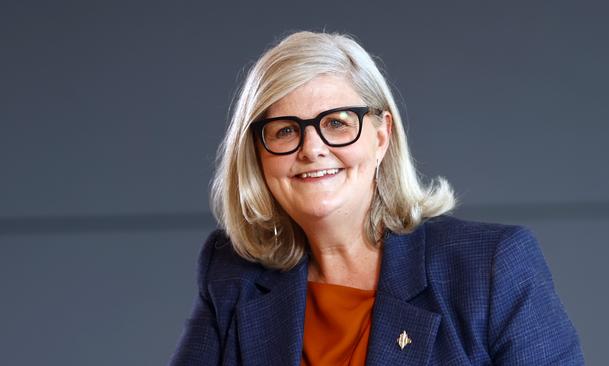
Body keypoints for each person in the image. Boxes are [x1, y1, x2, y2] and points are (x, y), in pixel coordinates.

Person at [169, 31, 584, 365]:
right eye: (285, 130)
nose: (311, 148)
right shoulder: (231, 274)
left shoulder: (490, 266)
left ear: (381, 135)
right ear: (258, 154)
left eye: (336, 123)